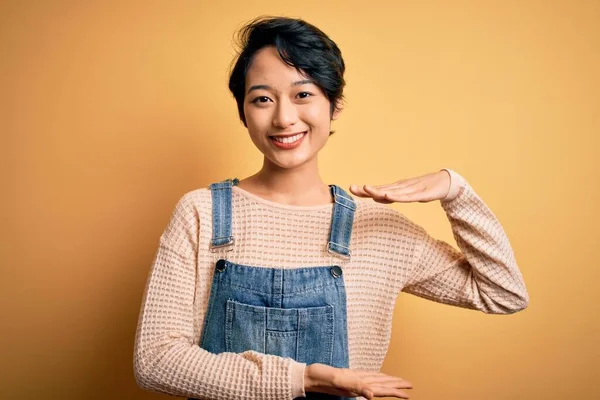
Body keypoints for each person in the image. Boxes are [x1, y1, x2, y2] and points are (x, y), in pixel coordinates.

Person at [133, 16, 529, 400]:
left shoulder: (378, 229)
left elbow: (503, 294)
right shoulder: (201, 213)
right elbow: (154, 361)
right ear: (243, 112)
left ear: (334, 104)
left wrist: (455, 191)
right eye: (262, 99)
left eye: (303, 94)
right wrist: (302, 378)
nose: (284, 118)